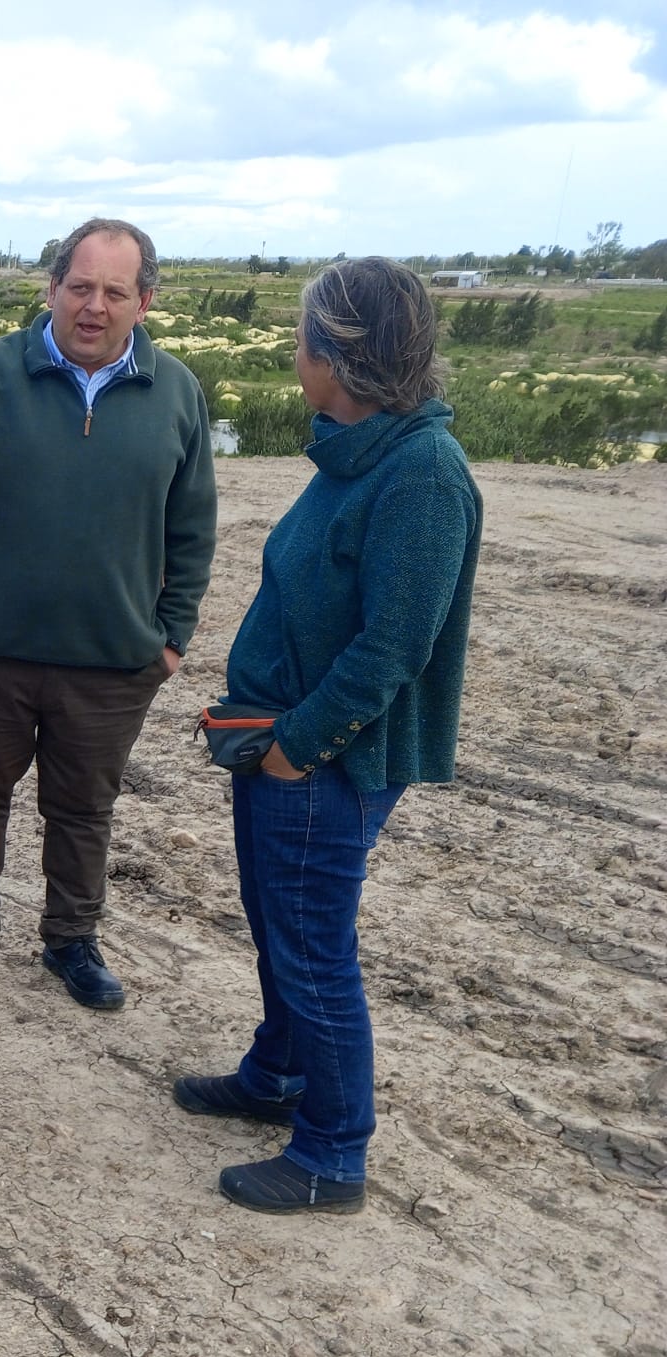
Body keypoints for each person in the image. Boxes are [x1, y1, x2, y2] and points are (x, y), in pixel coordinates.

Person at [172, 258, 482, 1215]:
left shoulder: (423, 475)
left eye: (305, 337)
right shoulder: (359, 447)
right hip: (283, 740)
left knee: (313, 949)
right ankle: (277, 1076)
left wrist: (297, 745)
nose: (295, 352)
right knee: (281, 930)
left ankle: (333, 1156)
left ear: (335, 355)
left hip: (322, 758)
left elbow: (396, 644)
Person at [0, 217, 216, 1006]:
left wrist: (170, 639)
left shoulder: (176, 392)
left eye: (114, 291)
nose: (93, 306)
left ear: (145, 302)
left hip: (110, 662)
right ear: (51, 289)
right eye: (79, 287)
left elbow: (193, 524)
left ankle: (72, 941)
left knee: (83, 812)